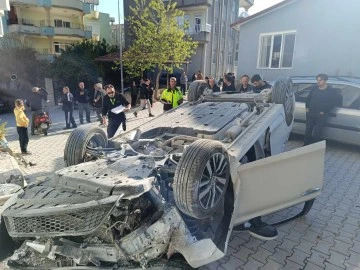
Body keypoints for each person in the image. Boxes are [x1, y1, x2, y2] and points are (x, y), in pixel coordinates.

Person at [304, 74, 342, 145]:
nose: (318, 82)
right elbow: (308, 99)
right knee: (308, 129)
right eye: (317, 80)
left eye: (320, 80)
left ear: (325, 81)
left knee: (318, 131)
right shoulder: (314, 88)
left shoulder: (330, 91)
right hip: (310, 113)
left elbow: (333, 103)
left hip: (321, 114)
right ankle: (305, 145)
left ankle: (315, 147)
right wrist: (307, 108)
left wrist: (324, 111)